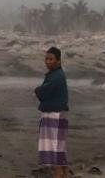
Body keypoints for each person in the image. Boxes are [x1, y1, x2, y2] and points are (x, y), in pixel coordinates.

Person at [34, 46, 69, 177]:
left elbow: (43, 93)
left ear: (58, 61)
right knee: (60, 146)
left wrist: (37, 90)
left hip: (54, 113)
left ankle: (58, 173)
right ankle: (64, 173)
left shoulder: (56, 76)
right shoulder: (57, 74)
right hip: (58, 112)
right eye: (46, 59)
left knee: (54, 146)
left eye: (51, 59)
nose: (48, 61)